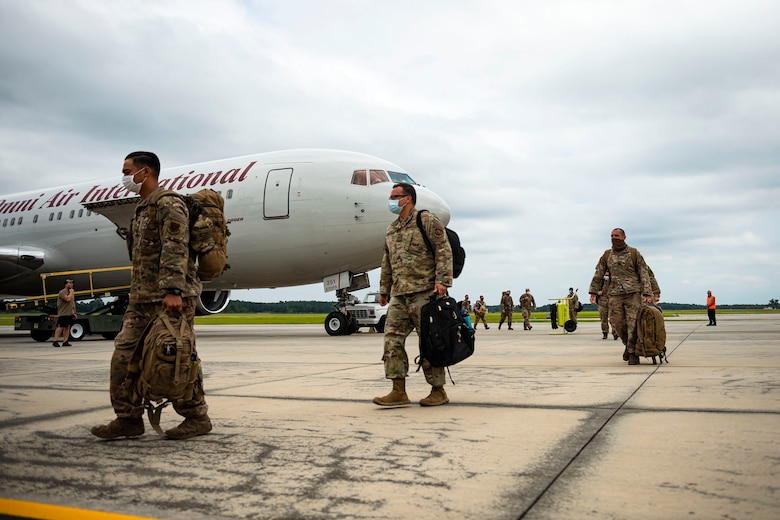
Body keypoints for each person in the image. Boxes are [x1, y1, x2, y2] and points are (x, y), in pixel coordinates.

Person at [91, 151, 212, 440]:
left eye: (127, 170)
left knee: (175, 357)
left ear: (145, 172)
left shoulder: (169, 203)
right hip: (141, 298)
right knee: (124, 357)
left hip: (169, 298)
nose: (124, 177)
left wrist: (173, 290)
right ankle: (128, 418)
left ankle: (197, 417)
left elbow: (176, 246)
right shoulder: (142, 207)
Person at [374, 182, 453, 407]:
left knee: (429, 342)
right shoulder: (392, 228)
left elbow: (443, 248)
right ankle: (398, 390)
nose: (391, 201)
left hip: (424, 292)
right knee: (391, 339)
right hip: (399, 294)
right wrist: (384, 290)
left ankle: (438, 390)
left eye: (394, 196)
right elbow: (386, 262)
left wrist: (443, 281)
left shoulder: (426, 220)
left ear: (407, 198)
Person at [588, 228, 655, 365]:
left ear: (624, 237)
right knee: (616, 323)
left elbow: (644, 273)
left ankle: (632, 353)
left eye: (617, 236)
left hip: (633, 293)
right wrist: (593, 292)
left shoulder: (634, 253)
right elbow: (598, 274)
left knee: (633, 324)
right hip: (615, 293)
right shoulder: (607, 255)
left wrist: (647, 292)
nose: (614, 238)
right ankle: (628, 345)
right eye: (612, 236)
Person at [52, 279, 76, 347]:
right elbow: (67, 299)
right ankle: (55, 341)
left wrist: (74, 312)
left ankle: (65, 341)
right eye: (70, 283)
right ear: (65, 284)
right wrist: (71, 292)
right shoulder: (62, 292)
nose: (71, 284)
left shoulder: (71, 293)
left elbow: (72, 302)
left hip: (70, 313)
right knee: (61, 327)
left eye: (72, 283)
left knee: (68, 327)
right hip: (63, 313)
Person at [596, 271, 618, 340]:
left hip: (612, 301)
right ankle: (605, 333)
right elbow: (594, 288)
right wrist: (597, 292)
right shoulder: (600, 280)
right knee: (603, 319)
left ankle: (615, 333)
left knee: (614, 319)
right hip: (602, 302)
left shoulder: (614, 279)